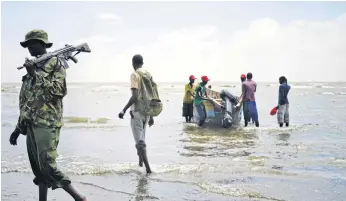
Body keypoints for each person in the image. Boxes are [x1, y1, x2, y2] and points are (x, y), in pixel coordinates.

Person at [9, 30, 87, 201]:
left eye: (32, 44)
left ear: (43, 44)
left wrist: (34, 75)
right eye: (27, 45)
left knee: (48, 166)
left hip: (47, 122)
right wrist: (17, 128)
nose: (29, 48)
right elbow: (27, 101)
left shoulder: (56, 62)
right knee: (38, 168)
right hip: (31, 124)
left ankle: (79, 197)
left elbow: (59, 91)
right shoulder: (33, 65)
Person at [118, 54, 156, 174]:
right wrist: (152, 115)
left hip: (137, 111)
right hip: (147, 112)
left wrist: (123, 109)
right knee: (141, 140)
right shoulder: (148, 74)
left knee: (140, 143)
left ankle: (148, 170)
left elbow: (134, 96)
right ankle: (140, 164)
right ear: (142, 63)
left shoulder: (134, 74)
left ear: (133, 64)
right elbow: (153, 96)